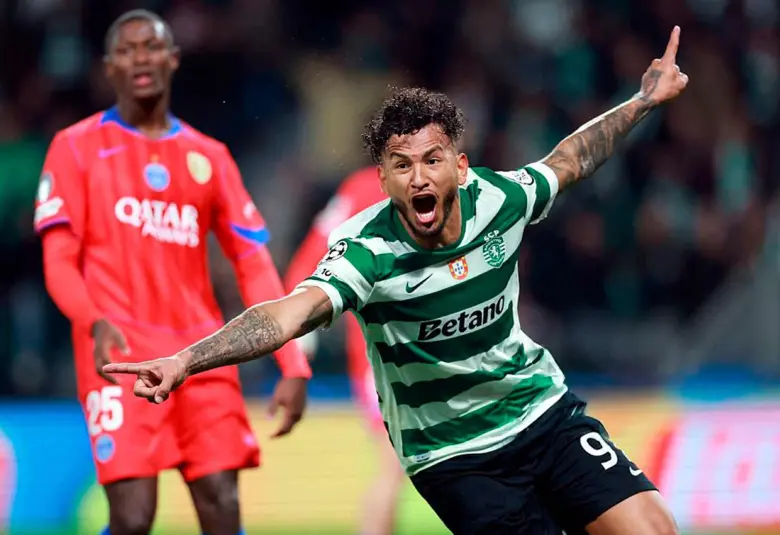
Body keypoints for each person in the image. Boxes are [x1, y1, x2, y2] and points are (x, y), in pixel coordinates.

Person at [105, 26, 689, 535]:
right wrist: (187, 360)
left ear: (460, 166)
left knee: (652, 527)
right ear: (382, 180)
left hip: (540, 411)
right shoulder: (368, 251)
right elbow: (287, 314)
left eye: (432, 160)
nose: (419, 178)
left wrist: (643, 100)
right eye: (402, 166)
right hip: (454, 455)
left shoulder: (501, 200)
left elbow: (571, 159)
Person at [35, 10, 311, 535]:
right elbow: (58, 262)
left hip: (201, 355)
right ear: (109, 67)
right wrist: (93, 320)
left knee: (222, 504)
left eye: (152, 46)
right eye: (127, 49)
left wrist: (292, 363)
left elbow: (253, 263)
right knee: (133, 517)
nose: (141, 57)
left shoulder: (210, 156)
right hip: (119, 353)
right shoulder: (74, 147)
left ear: (174, 59)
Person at [285, 168, 405, 535]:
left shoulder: (363, 186)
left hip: (432, 350)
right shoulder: (365, 188)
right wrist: (301, 343)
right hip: (382, 358)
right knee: (394, 465)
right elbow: (305, 264)